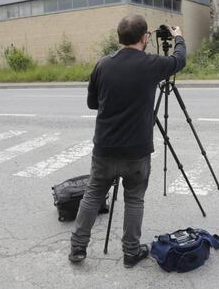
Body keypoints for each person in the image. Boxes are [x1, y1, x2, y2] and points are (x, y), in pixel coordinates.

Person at [69, 14, 186, 267]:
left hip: (105, 148)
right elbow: (179, 61)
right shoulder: (153, 64)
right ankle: (131, 253)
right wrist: (178, 37)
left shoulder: (102, 64)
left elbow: (92, 103)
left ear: (119, 38)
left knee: (92, 195)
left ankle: (78, 249)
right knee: (134, 199)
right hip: (136, 152)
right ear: (145, 38)